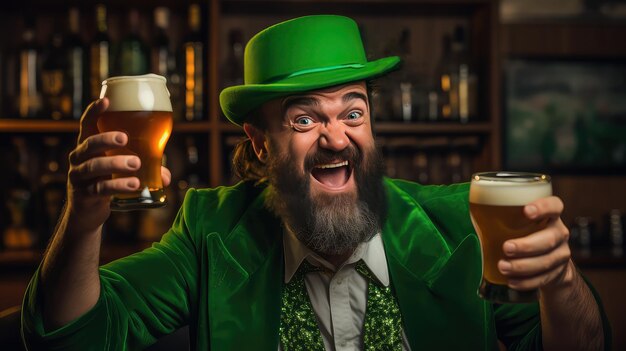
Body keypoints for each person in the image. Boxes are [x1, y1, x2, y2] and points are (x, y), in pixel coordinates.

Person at [22, 15, 609, 350]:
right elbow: (74, 337)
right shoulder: (211, 232)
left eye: (353, 112)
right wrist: (81, 219)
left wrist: (560, 282)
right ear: (259, 141)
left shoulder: (462, 224)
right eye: (305, 119)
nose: (335, 137)